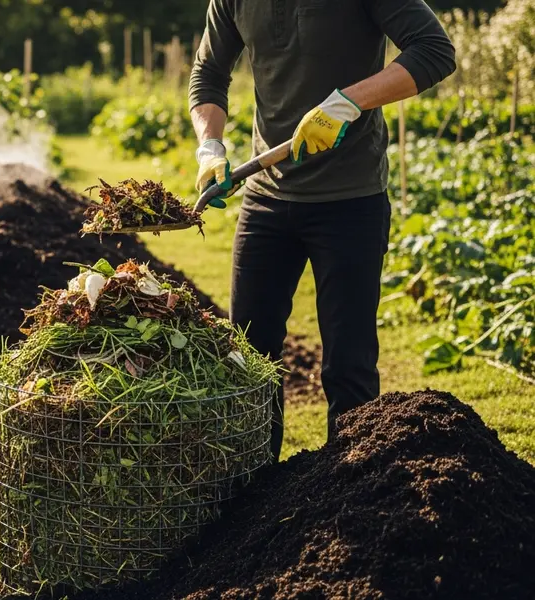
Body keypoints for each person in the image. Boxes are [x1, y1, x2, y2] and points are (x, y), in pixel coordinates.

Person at [188, 0, 456, 460]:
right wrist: (210, 146)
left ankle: (350, 496)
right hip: (266, 200)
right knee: (250, 360)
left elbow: (434, 50)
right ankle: (253, 500)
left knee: (348, 368)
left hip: (350, 201)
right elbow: (208, 74)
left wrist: (348, 103)